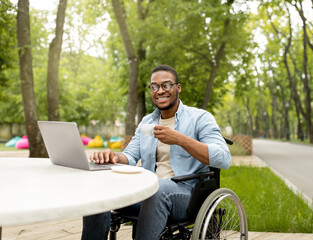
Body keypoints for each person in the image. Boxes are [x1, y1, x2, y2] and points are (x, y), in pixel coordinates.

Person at [82, 65, 231, 240]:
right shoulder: (147, 122)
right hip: (146, 191)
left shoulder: (200, 118)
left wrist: (179, 139)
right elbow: (129, 156)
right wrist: (112, 156)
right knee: (99, 186)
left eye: (166, 85)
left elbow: (223, 158)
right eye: (154, 87)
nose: (160, 91)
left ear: (178, 87)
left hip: (187, 195)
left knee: (157, 189)